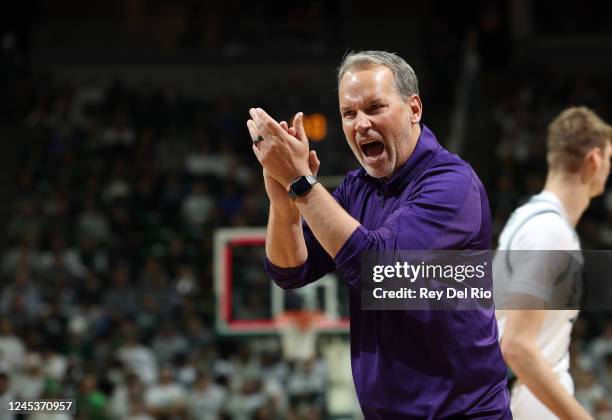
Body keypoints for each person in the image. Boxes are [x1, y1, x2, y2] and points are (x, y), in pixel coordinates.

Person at [247, 50, 510, 418]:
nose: (361, 124)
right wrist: (284, 204)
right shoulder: (357, 188)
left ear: (414, 108)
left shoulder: (452, 184)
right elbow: (290, 271)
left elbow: (378, 268)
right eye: (349, 114)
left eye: (375, 108)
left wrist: (302, 184)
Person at [495, 107, 612, 420]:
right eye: (610, 159)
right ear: (595, 160)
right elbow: (516, 346)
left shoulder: (531, 218)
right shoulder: (549, 232)